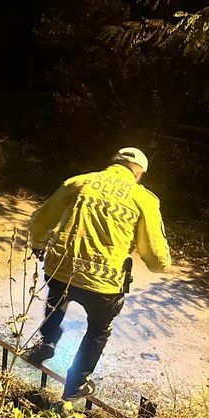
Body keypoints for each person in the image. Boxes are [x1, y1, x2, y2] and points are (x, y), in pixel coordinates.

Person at [25, 147, 171, 401]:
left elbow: (43, 218)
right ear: (139, 173)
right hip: (104, 281)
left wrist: (37, 243)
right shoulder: (144, 198)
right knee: (99, 329)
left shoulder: (78, 182)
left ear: (112, 163)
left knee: (56, 301)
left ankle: (47, 343)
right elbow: (156, 256)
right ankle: (76, 382)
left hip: (62, 269)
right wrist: (161, 265)